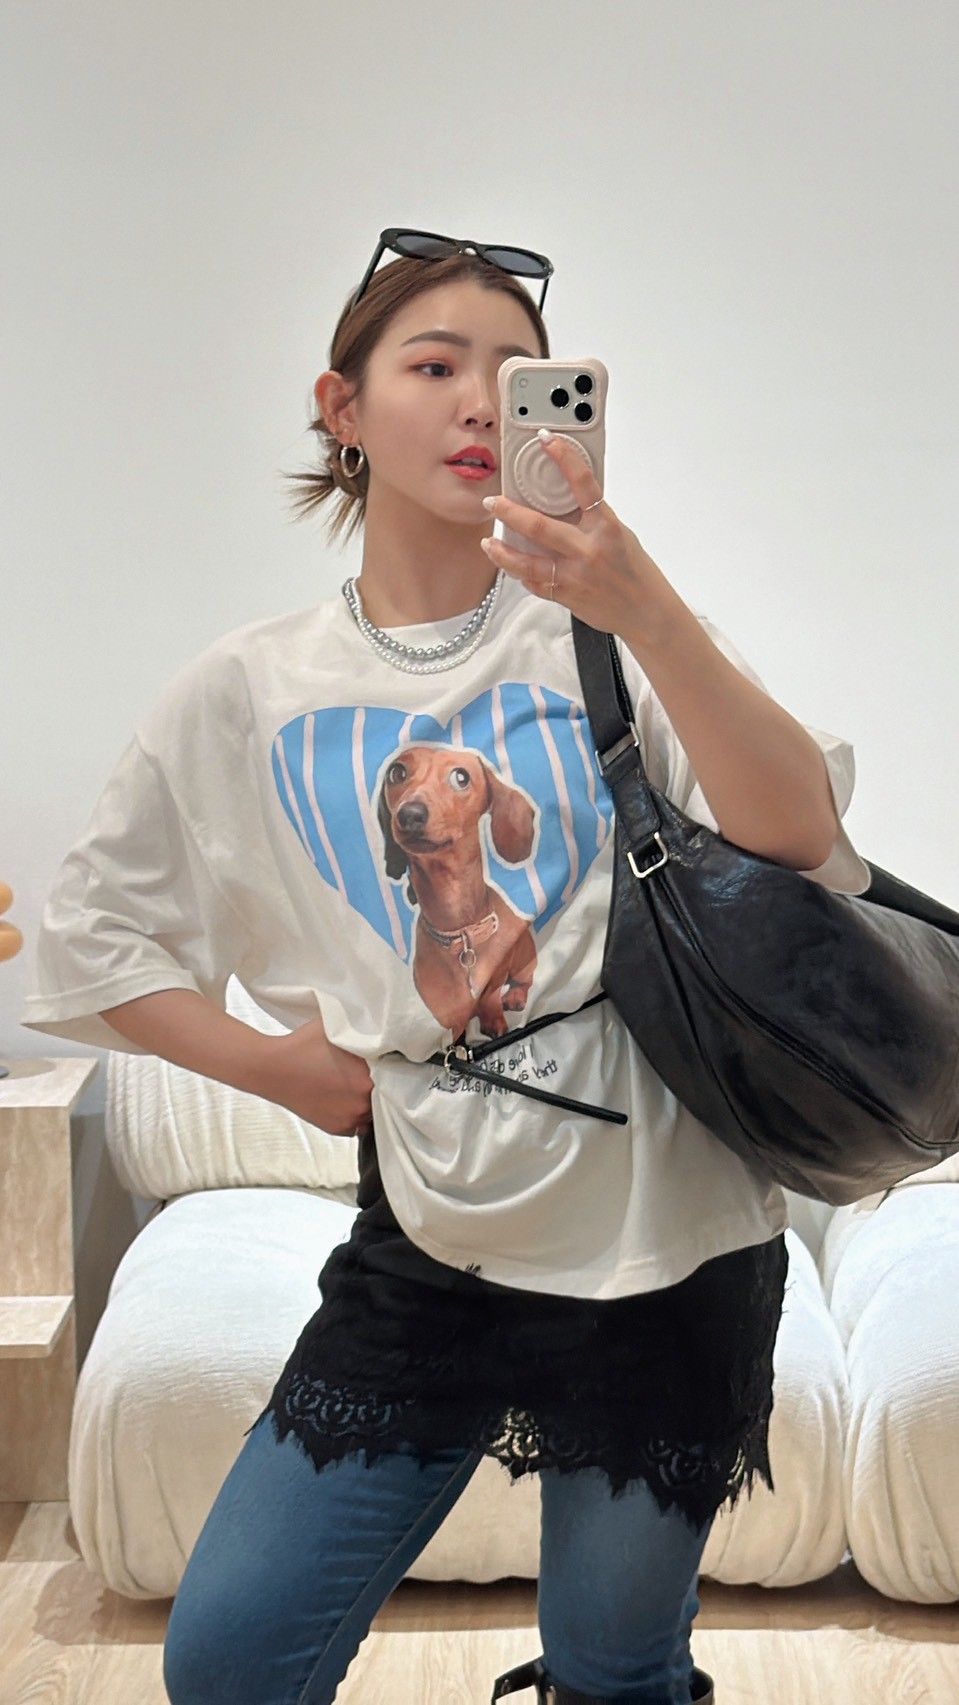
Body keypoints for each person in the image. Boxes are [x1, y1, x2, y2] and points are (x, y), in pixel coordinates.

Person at [21, 229, 870, 1705]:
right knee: (229, 1658)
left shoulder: (606, 639)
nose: (481, 402)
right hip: (430, 1238)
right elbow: (92, 937)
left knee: (614, 1669)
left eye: (515, 372)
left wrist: (642, 605)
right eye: (433, 365)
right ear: (341, 409)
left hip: (671, 1233)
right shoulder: (252, 687)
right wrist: (278, 1067)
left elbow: (802, 834)